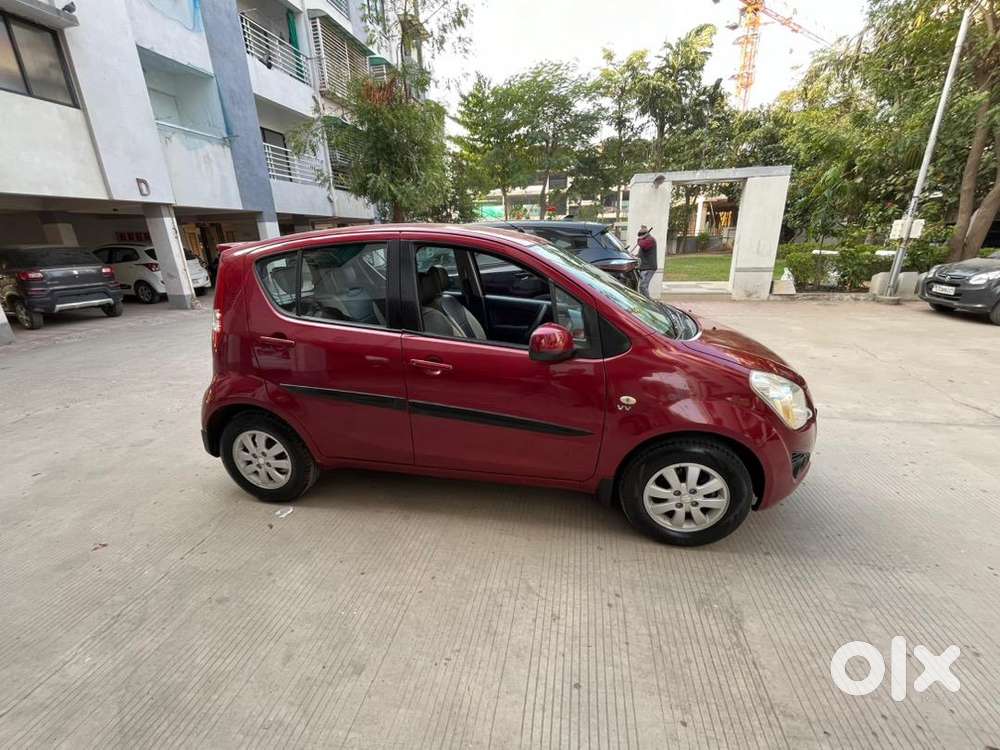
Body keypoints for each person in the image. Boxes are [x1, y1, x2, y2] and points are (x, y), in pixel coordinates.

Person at [635, 225, 658, 299]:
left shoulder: (650, 240)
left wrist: (639, 240)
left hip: (648, 267)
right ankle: (643, 301)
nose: (639, 237)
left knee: (643, 286)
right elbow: (641, 253)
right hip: (644, 267)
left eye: (640, 235)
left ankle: (649, 302)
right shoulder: (646, 240)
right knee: (642, 287)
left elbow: (643, 245)